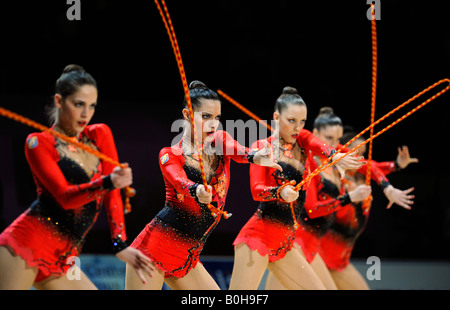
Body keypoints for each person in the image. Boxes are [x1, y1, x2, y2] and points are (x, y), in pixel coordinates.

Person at [0, 64, 154, 290]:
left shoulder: (99, 135)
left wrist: (119, 243)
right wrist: (109, 181)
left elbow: (113, 194)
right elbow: (64, 196)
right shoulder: (39, 143)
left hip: (64, 256)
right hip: (24, 245)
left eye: (92, 106)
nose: (86, 114)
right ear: (59, 101)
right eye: (78, 104)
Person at [125, 80, 282, 290]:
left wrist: (256, 156)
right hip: (151, 252)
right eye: (206, 116)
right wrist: (197, 190)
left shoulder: (219, 141)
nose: (213, 124)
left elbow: (239, 151)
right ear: (188, 114)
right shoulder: (170, 154)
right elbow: (180, 182)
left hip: (187, 254)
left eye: (217, 117)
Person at [229, 87, 365, 290]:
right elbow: (256, 190)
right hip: (258, 237)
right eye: (291, 120)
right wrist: (279, 192)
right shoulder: (262, 147)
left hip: (285, 243)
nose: (297, 128)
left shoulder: (302, 142)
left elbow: (317, 142)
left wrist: (334, 156)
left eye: (302, 122)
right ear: (276, 117)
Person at [317, 130, 417, 289]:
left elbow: (376, 167)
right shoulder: (333, 174)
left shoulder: (363, 174)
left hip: (340, 261)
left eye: (363, 154)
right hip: (319, 256)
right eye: (356, 153)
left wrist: (396, 165)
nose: (360, 158)